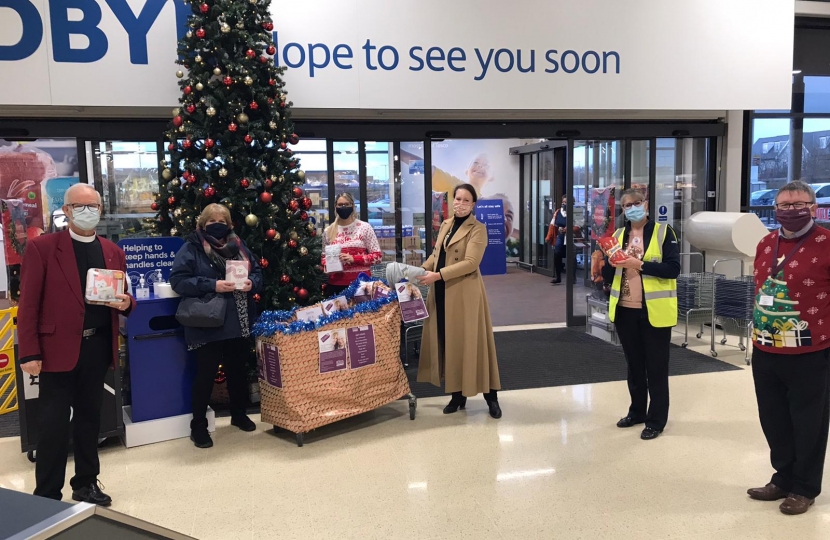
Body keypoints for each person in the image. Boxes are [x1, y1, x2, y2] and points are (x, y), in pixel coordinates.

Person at [18, 183, 135, 506]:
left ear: (100, 209)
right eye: (80, 206)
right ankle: (46, 494)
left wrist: (126, 303)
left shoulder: (113, 251)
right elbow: (28, 304)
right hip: (56, 350)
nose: (88, 212)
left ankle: (85, 483)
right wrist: (28, 351)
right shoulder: (43, 248)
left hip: (96, 347)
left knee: (89, 419)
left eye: (93, 206)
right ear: (66, 211)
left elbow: (126, 297)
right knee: (53, 424)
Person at [748, 181, 830, 516]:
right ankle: (782, 478)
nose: (791, 210)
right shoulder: (766, 243)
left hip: (810, 352)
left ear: (813, 206)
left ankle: (805, 488)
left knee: (808, 421)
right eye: (784, 204)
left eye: (799, 204)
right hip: (766, 349)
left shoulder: (827, 244)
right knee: (773, 418)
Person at [170, 203, 263, 449]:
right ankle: (198, 426)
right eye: (212, 222)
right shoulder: (191, 248)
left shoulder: (239, 246)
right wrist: (213, 285)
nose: (217, 225)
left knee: (237, 371)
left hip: (239, 318)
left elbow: (258, 272)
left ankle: (239, 414)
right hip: (207, 321)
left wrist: (252, 283)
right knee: (205, 374)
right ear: (202, 224)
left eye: (222, 220)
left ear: (230, 224)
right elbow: (178, 281)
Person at [417, 183, 502, 419]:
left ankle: (491, 397)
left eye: (466, 200)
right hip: (443, 292)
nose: (460, 203)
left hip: (465, 294)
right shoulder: (446, 224)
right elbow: (436, 255)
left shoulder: (478, 229)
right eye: (458, 199)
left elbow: (471, 263)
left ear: (473, 204)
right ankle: (457, 396)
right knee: (451, 343)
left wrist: (438, 275)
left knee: (474, 344)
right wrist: (420, 270)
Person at [601, 188, 679, 440]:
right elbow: (608, 275)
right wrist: (605, 263)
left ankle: (656, 420)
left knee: (656, 368)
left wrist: (640, 264)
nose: (632, 208)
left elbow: (672, 269)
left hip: (654, 312)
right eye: (626, 205)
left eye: (636, 203)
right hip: (625, 310)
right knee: (634, 367)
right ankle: (637, 412)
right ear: (622, 210)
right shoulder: (618, 234)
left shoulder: (664, 232)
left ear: (646, 204)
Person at [322, 193, 382, 295]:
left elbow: (378, 257)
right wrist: (326, 266)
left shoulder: (364, 227)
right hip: (336, 285)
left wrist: (354, 259)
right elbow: (323, 258)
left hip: (361, 285)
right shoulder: (328, 231)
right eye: (340, 205)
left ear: (353, 206)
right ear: (335, 207)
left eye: (347, 204)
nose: (343, 207)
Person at [545, 195, 581, 285]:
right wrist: (549, 237)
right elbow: (552, 225)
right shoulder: (558, 212)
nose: (564, 204)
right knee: (557, 254)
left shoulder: (577, 211)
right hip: (560, 236)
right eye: (563, 202)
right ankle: (558, 277)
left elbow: (579, 226)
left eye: (567, 202)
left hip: (572, 236)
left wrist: (567, 229)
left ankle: (573, 278)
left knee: (572, 256)